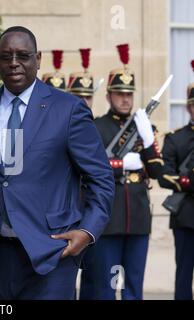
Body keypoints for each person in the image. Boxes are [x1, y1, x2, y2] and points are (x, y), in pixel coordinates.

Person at [0, 26, 114, 300]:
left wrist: (87, 231)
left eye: (23, 55)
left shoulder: (68, 110)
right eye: (6, 56)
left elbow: (101, 179)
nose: (14, 63)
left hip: (52, 253)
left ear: (38, 58)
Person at [91, 44, 163, 300]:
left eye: (129, 94)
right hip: (110, 218)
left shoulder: (143, 125)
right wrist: (122, 165)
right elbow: (93, 170)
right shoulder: (97, 127)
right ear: (109, 96)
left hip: (138, 217)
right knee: (106, 286)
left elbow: (156, 171)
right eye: (119, 93)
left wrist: (147, 138)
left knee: (134, 284)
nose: (125, 99)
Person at [157, 60, 194, 300]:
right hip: (186, 217)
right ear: (189, 108)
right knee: (184, 275)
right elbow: (164, 176)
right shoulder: (176, 139)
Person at [67, 48, 97, 299]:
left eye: (88, 97)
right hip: (70, 215)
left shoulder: (94, 127)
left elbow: (99, 176)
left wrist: (88, 228)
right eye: (78, 96)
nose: (83, 103)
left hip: (92, 218)